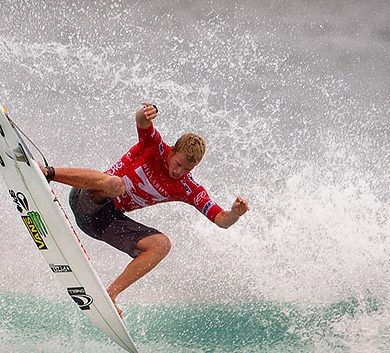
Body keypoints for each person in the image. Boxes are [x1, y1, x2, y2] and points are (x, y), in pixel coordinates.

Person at [44, 102, 249, 312]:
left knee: (162, 244)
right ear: (173, 151)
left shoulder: (188, 188)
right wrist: (147, 111)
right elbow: (142, 120)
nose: (179, 172)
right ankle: (48, 173)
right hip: (86, 197)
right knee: (116, 184)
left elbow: (222, 221)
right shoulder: (154, 146)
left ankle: (110, 295)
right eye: (178, 164)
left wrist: (234, 214)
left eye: (187, 169)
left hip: (101, 223)